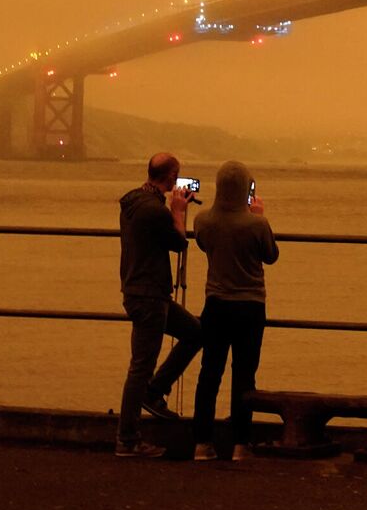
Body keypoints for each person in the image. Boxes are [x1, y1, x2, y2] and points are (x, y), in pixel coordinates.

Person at [115, 152, 204, 458]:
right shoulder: (155, 211)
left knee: (195, 332)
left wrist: (172, 210)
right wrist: (178, 212)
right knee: (140, 366)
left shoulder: (132, 202)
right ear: (170, 177)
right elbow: (178, 243)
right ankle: (127, 439)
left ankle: (155, 391)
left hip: (139, 290)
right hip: (149, 295)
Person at [191, 160, 279, 461]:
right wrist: (259, 216)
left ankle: (202, 443)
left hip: (215, 304)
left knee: (209, 373)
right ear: (245, 190)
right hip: (250, 306)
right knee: (244, 374)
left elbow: (204, 246)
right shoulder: (257, 224)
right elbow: (271, 255)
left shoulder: (203, 221)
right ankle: (242, 444)